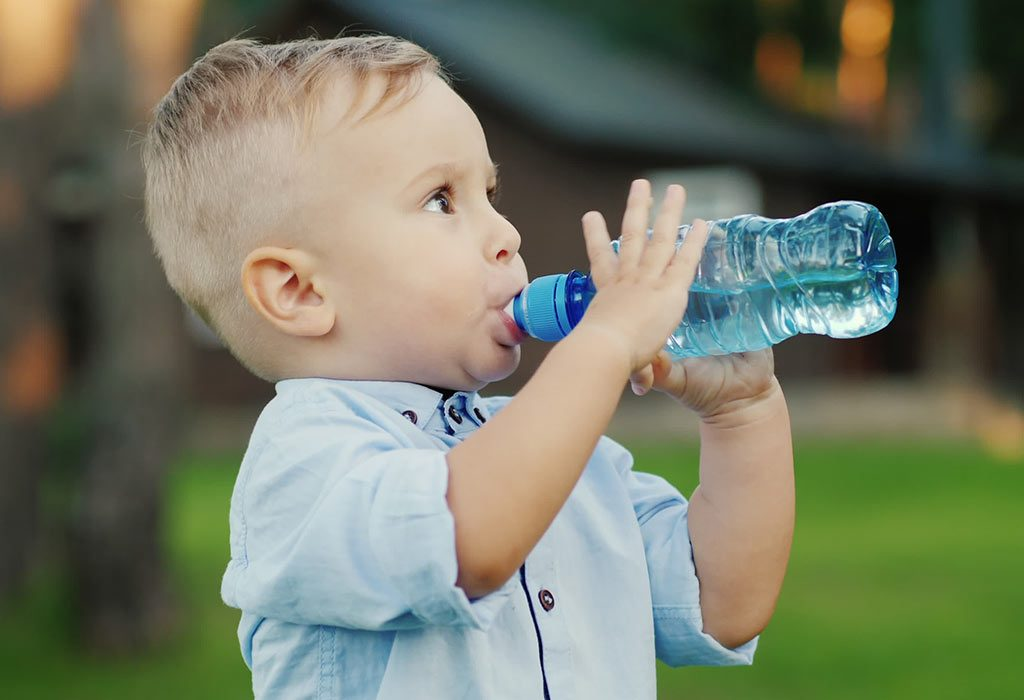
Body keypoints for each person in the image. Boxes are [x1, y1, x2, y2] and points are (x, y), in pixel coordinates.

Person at [141, 35, 794, 699]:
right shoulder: (304, 466)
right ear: (299, 292)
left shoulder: (562, 457)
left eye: (490, 192)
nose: (505, 234)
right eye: (440, 201)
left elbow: (722, 604)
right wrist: (603, 343)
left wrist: (743, 413)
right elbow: (470, 539)